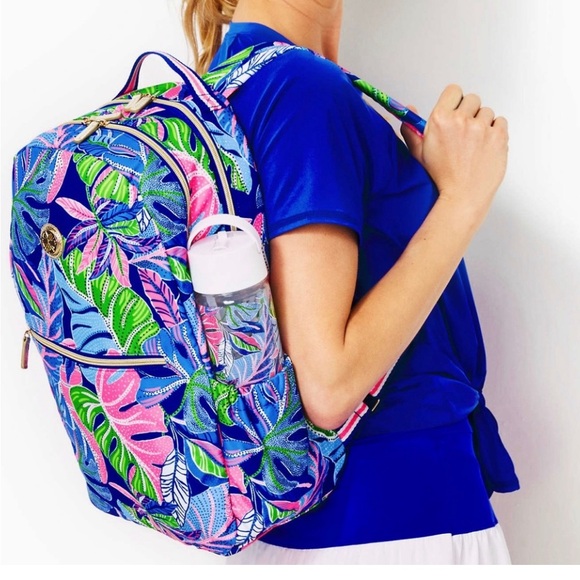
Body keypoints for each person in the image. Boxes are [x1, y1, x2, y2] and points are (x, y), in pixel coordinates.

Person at [181, 0, 520, 565]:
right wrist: (463, 199)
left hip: (326, 531)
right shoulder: (302, 88)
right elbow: (329, 385)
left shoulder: (231, 84)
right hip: (399, 525)